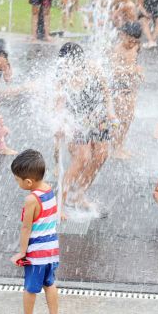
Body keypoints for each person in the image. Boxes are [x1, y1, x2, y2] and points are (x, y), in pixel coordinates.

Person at [56, 42, 116, 216]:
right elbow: (59, 103)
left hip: (98, 118)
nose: (69, 66)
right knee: (82, 157)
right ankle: (60, 202)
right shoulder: (63, 77)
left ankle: (78, 194)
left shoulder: (93, 69)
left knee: (101, 155)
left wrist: (111, 113)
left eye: (72, 62)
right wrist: (60, 124)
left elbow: (106, 94)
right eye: (65, 63)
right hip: (76, 121)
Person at [9, 149, 63, 314]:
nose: (16, 183)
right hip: (51, 250)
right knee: (50, 283)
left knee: (30, 287)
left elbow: (26, 228)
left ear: (29, 182)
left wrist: (23, 252)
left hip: (36, 254)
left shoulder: (31, 199)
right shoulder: (49, 189)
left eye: (17, 180)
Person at [110, 21, 144, 160]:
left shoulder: (136, 45)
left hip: (131, 87)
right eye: (129, 40)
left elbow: (135, 63)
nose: (131, 44)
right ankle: (114, 148)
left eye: (134, 41)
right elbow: (114, 71)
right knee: (120, 118)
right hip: (118, 87)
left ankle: (120, 145)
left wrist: (139, 70)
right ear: (122, 35)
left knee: (128, 118)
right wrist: (133, 70)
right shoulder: (117, 49)